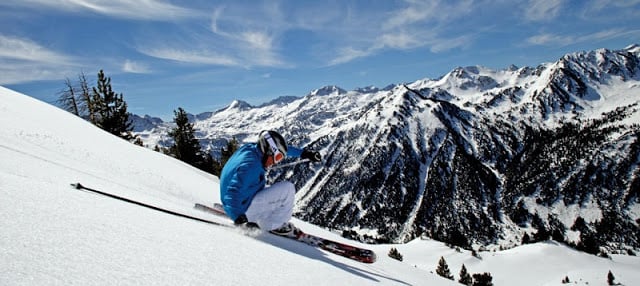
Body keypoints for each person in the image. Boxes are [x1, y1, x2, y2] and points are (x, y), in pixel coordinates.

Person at [219, 130, 322, 234]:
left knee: (271, 189)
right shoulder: (251, 166)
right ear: (268, 151)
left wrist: (304, 154)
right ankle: (273, 225)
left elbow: (283, 150)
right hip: (242, 210)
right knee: (288, 189)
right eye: (277, 157)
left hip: (241, 201)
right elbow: (232, 193)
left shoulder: (251, 149)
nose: (276, 162)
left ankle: (260, 216)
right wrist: (239, 219)